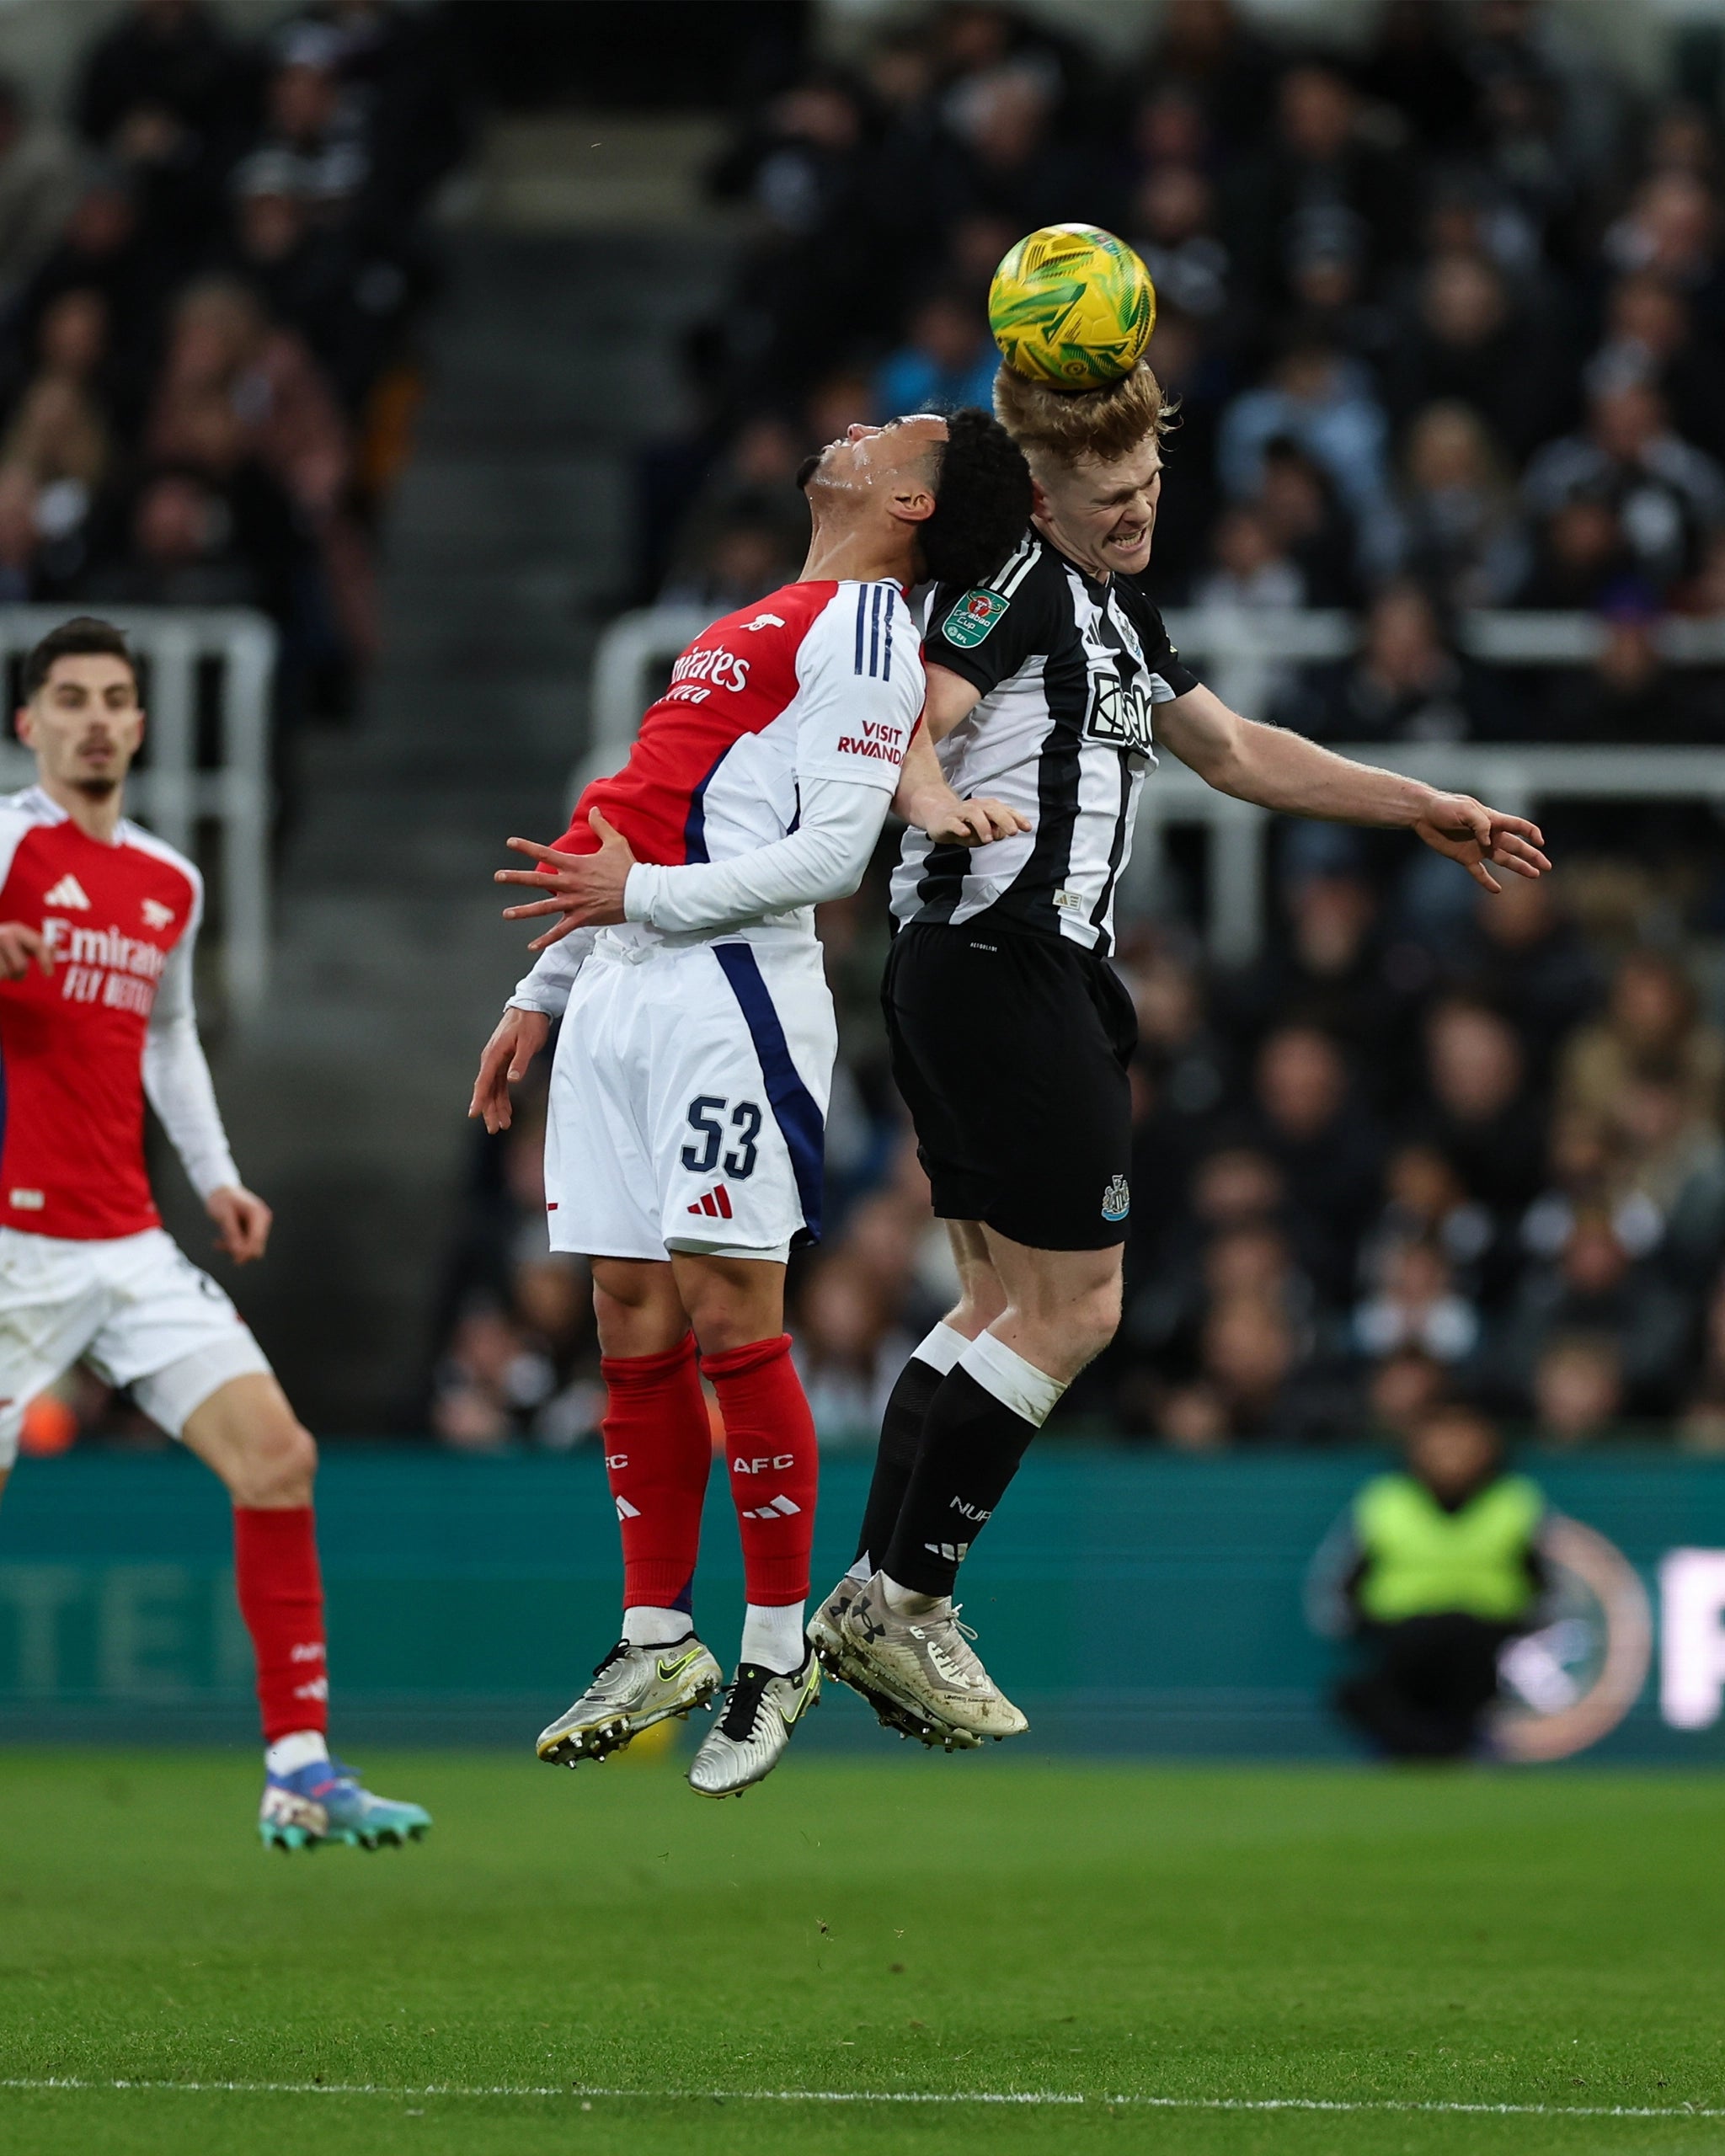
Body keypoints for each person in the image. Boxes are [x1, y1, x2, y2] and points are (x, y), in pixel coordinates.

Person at [814, 349, 1551, 1753]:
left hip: (997, 975)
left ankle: (874, 1587)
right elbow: (916, 703)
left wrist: (1414, 806)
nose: (1140, 505)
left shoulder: (1113, 612)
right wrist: (924, 795)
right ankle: (906, 1596)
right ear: (1043, 491)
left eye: (1150, 481)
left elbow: (1235, 752)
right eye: (1110, 489)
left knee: (990, 1309)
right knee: (1079, 1312)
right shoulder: (1017, 584)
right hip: (1000, 961)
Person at [467, 408, 1033, 1798]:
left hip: (726, 990)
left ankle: (776, 1648)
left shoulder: (860, 635)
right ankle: (657, 1635)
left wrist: (634, 905)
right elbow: (639, 827)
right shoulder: (763, 615)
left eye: (896, 430)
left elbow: (833, 852)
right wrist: (541, 995)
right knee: (626, 1309)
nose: (860, 424)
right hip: (621, 990)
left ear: (911, 500)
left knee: (729, 1305)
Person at [0, 615, 428, 1852]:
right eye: (68, 698)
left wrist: (220, 1177)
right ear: (30, 724)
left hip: (125, 1242)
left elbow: (167, 1037)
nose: (93, 718)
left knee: (278, 1457)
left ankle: (299, 1766)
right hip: (11, 1246)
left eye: (114, 699)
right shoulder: (10, 845)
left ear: (139, 723)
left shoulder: (166, 882)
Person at [1308, 1403, 1548, 1760]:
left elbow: (1547, 1587)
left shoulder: (1515, 1502)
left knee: (1462, 1645)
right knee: (1362, 1691)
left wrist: (1524, 1632)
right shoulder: (1385, 1501)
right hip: (1401, 1644)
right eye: (1439, 1443)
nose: (1450, 1455)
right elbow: (1338, 1588)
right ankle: (1439, 1750)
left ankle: (1444, 1746)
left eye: (1462, 1442)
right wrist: (1364, 1630)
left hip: (1485, 1646)